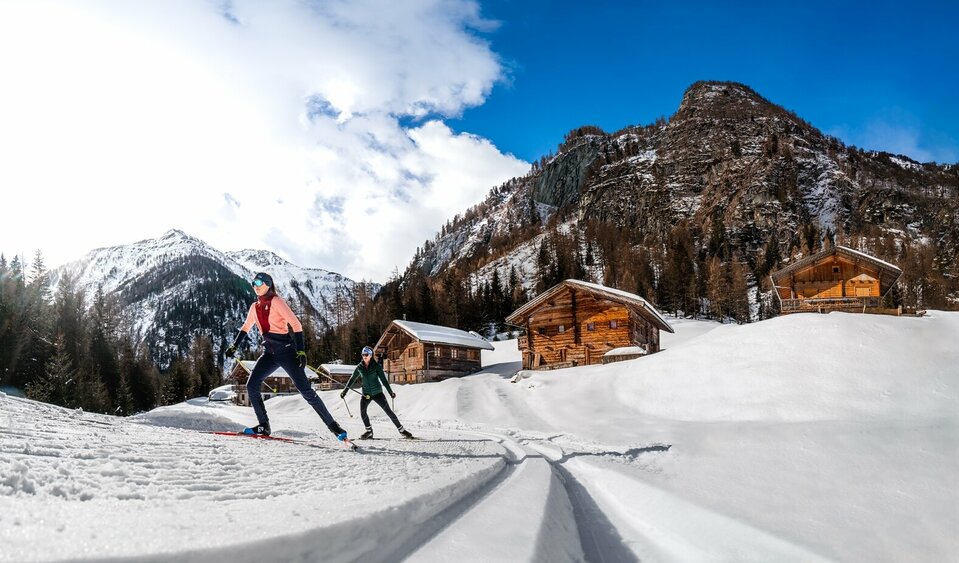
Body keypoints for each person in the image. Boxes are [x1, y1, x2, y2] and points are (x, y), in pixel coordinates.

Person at [225, 272, 349, 442]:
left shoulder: (277, 301)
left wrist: (301, 351)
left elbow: (296, 325)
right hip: (269, 353)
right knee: (252, 384)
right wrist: (234, 346)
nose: (255, 285)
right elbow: (246, 327)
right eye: (253, 282)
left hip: (286, 352)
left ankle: (334, 427)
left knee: (306, 391)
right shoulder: (255, 307)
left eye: (259, 282)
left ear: (268, 284)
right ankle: (264, 425)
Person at [341, 346, 414, 439]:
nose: (364, 356)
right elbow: (352, 380)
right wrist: (345, 391)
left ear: (371, 355)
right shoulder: (359, 367)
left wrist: (390, 392)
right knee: (363, 412)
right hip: (366, 394)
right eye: (363, 355)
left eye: (366, 354)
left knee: (388, 411)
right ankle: (369, 431)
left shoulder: (376, 366)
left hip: (377, 393)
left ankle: (402, 430)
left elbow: (384, 380)